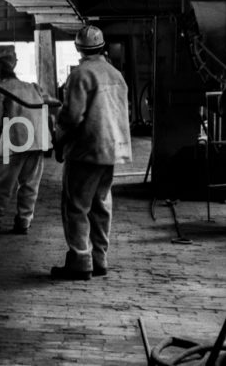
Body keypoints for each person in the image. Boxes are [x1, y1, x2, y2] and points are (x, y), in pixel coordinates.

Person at [51, 25, 132, 280]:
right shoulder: (116, 74)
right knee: (100, 205)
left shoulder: (81, 74)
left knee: (76, 206)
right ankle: (100, 258)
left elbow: (71, 117)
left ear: (78, 48)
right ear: (102, 46)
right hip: (111, 151)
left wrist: (59, 140)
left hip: (86, 150)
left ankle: (80, 260)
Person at [0, 56, 56, 234]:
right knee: (30, 184)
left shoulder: (1, 87)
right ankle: (24, 221)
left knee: (1, 184)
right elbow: (52, 102)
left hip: (15, 141)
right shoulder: (32, 87)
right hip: (38, 142)